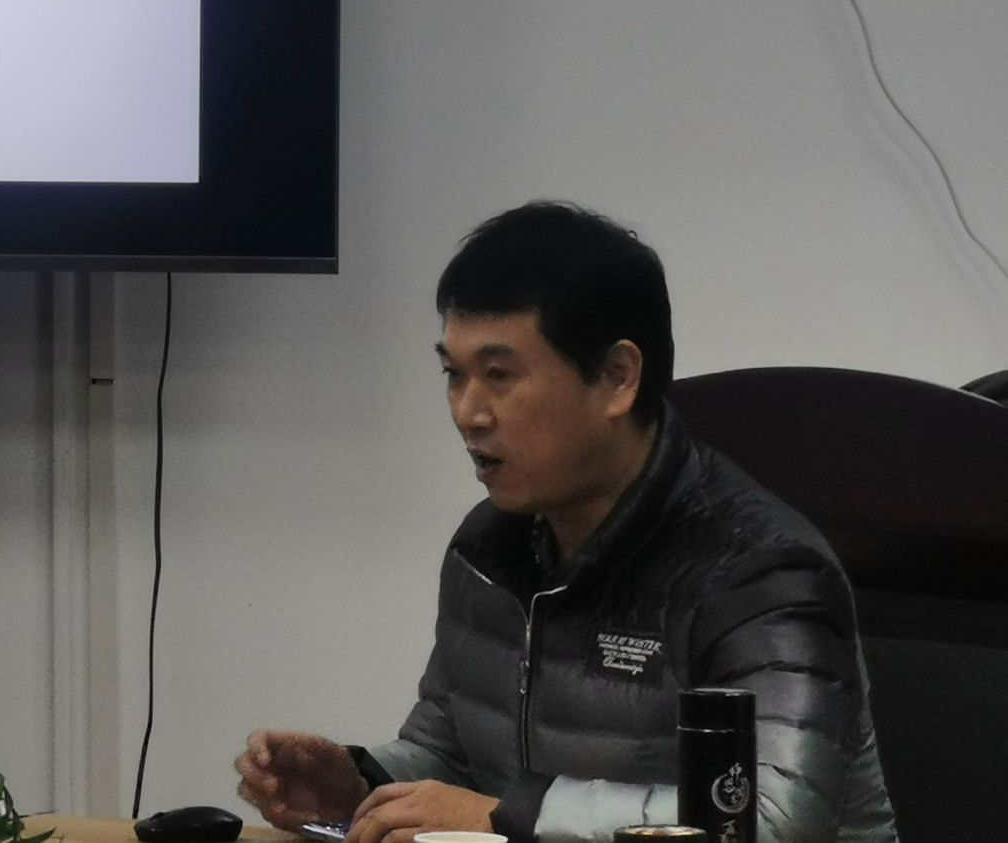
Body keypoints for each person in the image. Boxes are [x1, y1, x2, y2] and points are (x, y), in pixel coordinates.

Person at [234, 202, 895, 843]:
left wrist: (510, 816)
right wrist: (360, 785)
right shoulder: (486, 550)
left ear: (618, 378)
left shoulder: (759, 572)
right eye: (454, 374)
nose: (468, 412)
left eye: (499, 374)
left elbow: (768, 823)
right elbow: (454, 757)